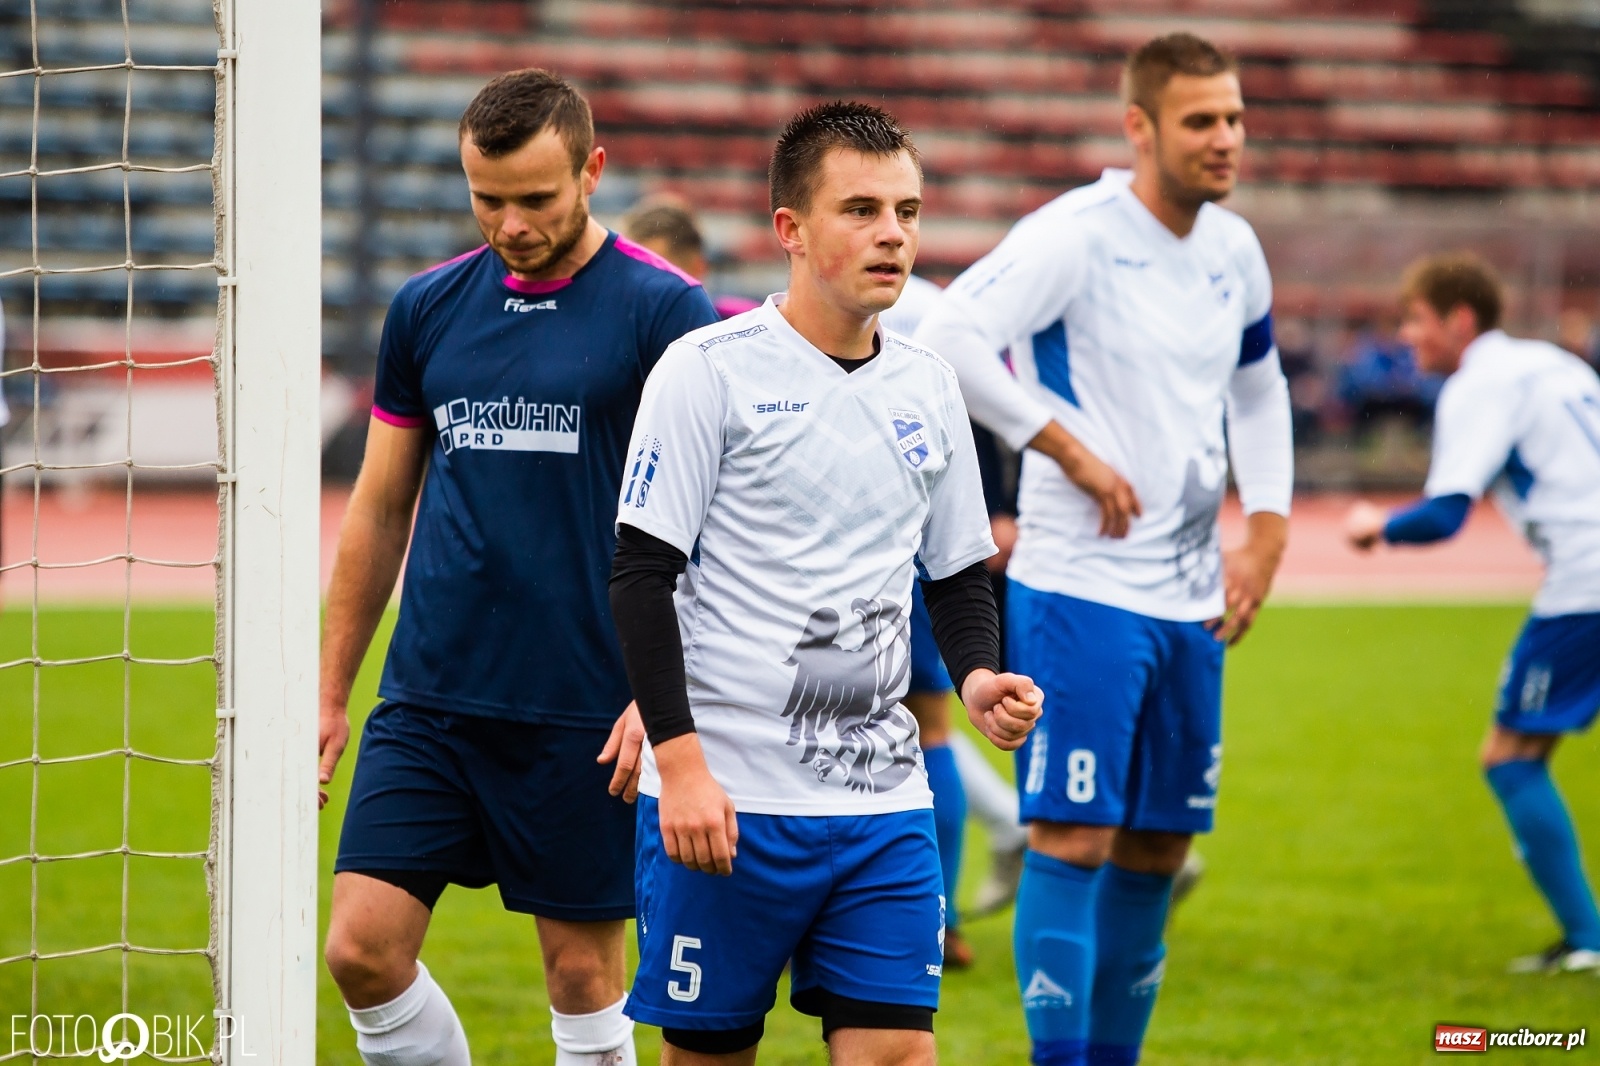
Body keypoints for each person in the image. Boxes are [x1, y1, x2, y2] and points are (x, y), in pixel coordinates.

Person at [607, 100, 1041, 1066]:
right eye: (861, 210)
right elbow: (641, 578)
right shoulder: (703, 371)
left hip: (882, 805)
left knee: (895, 1053)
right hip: (728, 801)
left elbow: (960, 570)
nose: (893, 232)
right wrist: (680, 768)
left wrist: (976, 677)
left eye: (908, 210)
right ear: (790, 232)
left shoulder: (931, 382)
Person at [317, 68, 719, 1066]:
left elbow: (724, 522)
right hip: (432, 697)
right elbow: (379, 505)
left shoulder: (667, 313)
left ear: (592, 170)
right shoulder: (426, 310)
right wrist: (330, 690)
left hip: (589, 708)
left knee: (582, 980)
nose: (509, 222)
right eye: (485, 198)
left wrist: (663, 695)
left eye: (535, 199)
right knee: (361, 951)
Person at [917, 33, 1293, 1066]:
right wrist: (1063, 447)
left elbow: (1259, 390)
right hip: (1079, 589)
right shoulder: (1075, 235)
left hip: (1188, 602)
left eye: (1234, 118)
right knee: (1072, 836)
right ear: (1139, 126)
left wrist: (1266, 527)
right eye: (1201, 121)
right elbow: (950, 332)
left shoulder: (1234, 248)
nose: (1226, 139)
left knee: (1161, 847)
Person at [1346, 252, 1600, 974]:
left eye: (1417, 320)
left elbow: (1446, 515)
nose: (1407, 337)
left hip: (1587, 578)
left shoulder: (1479, 382)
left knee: (1510, 756)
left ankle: (1587, 942)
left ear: (1460, 320)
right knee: (1526, 753)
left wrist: (1376, 527)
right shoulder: (1555, 363)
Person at [884, 273, 1030, 952]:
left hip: (889, 539)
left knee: (921, 726)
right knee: (927, 728)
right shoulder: (934, 306)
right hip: (915, 538)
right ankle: (938, 915)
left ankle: (928, 915)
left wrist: (1001, 504)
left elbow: (984, 413)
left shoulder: (916, 317)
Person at [622, 196, 760, 320]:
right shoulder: (615, 327)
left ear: (698, 268)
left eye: (655, 275)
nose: (639, 286)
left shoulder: (746, 323)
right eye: (631, 272)